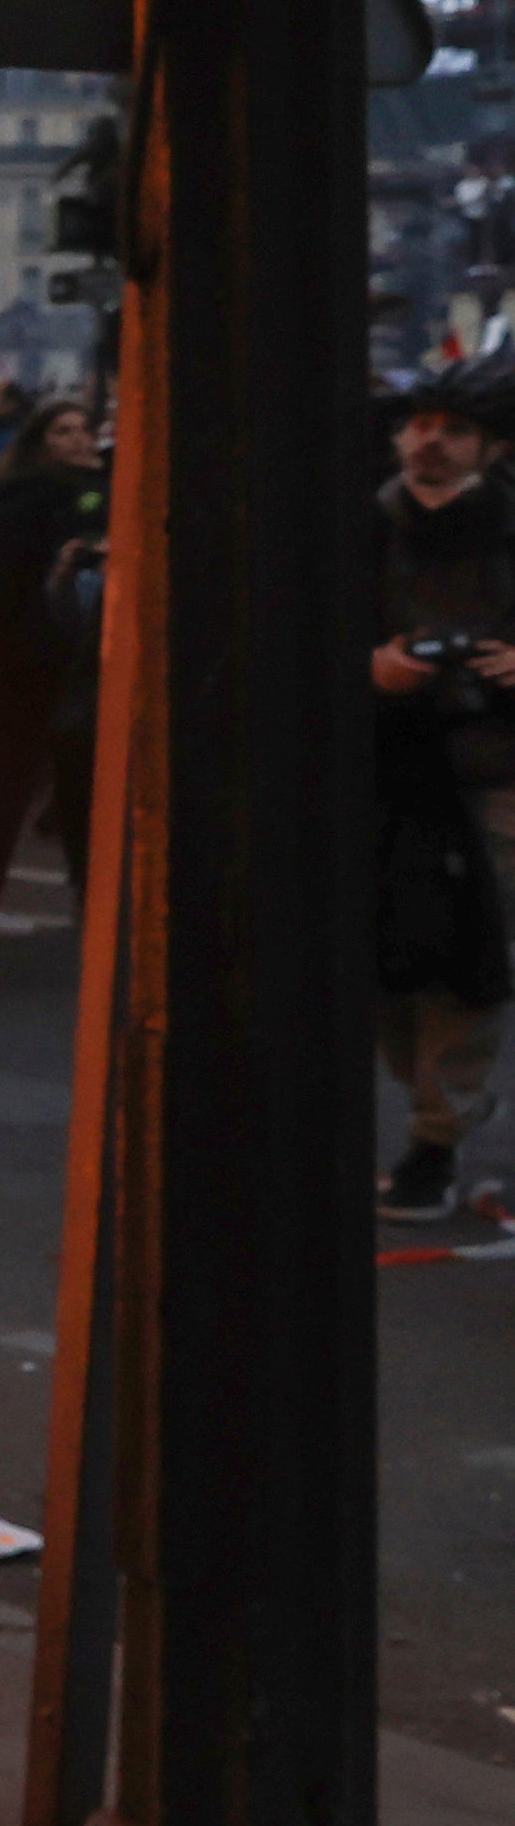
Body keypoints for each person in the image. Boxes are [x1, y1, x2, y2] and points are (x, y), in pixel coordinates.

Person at [375, 368, 515, 1216]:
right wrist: (373, 665)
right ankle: (433, 1106)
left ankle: (438, 1134)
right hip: (385, 764)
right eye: (420, 424)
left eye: (453, 430)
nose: (431, 439)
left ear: (488, 449)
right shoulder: (358, 524)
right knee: (388, 955)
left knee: (474, 960)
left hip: (494, 769)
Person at [0, 396, 102, 929]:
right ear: (40, 441)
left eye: (84, 428)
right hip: (33, 660)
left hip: (38, 657)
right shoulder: (40, 500)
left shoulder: (40, 496)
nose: (78, 440)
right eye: (64, 430)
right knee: (15, 782)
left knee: (21, 784)